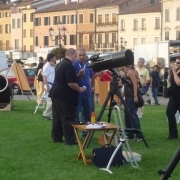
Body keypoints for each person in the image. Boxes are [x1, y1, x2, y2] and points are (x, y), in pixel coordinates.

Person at [49, 48, 86, 145]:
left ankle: (56, 137)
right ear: (72, 55)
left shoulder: (60, 64)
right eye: (76, 56)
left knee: (57, 117)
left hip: (55, 94)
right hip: (64, 96)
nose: (76, 58)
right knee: (67, 117)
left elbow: (66, 79)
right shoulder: (69, 66)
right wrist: (80, 89)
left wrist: (78, 75)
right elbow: (71, 83)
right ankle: (70, 140)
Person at [119, 65, 143, 141]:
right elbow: (124, 87)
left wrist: (135, 96)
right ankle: (130, 134)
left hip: (131, 97)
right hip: (127, 98)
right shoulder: (124, 73)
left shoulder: (129, 72)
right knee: (127, 117)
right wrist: (121, 97)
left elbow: (135, 83)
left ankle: (138, 135)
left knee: (133, 116)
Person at [73, 48, 94, 137]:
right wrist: (79, 75)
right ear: (76, 56)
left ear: (86, 55)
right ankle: (75, 134)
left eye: (83, 55)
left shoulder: (87, 64)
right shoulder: (74, 65)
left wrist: (92, 86)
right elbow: (72, 80)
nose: (82, 57)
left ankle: (85, 133)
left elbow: (92, 76)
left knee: (87, 115)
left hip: (87, 94)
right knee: (76, 115)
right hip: (77, 93)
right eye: (80, 55)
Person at [166, 58, 180, 139]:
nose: (176, 64)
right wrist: (170, 73)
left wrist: (174, 72)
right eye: (176, 62)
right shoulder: (177, 71)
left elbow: (178, 83)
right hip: (174, 96)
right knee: (169, 112)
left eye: (178, 63)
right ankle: (173, 134)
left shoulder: (177, 72)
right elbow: (170, 81)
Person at [42, 53, 56, 120]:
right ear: (51, 58)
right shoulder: (47, 66)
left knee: (50, 100)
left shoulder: (52, 65)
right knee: (53, 100)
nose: (55, 58)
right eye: (54, 57)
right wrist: (47, 86)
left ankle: (50, 115)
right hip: (49, 84)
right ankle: (46, 113)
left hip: (52, 84)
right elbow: (44, 76)